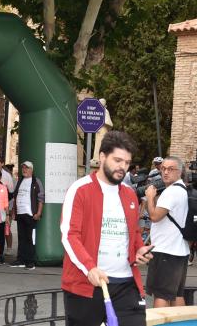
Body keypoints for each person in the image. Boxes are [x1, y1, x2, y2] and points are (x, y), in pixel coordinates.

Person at [61, 130, 153, 326]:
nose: (123, 167)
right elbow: (70, 235)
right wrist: (90, 268)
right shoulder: (79, 189)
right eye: (118, 160)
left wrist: (139, 249)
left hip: (126, 284)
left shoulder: (129, 194)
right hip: (86, 284)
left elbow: (133, 232)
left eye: (127, 163)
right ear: (102, 157)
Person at [145, 156, 190, 308]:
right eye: (163, 168)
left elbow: (154, 216)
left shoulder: (171, 192)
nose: (165, 172)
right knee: (176, 294)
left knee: (161, 295)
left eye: (171, 169)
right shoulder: (183, 189)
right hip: (179, 251)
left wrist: (149, 197)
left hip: (165, 251)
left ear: (180, 172)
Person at [10, 161, 44, 270]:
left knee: (30, 239)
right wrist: (14, 212)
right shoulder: (20, 180)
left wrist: (38, 213)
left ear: (31, 170)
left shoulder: (36, 181)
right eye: (23, 168)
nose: (24, 169)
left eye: (27, 168)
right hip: (20, 214)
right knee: (21, 238)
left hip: (31, 215)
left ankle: (30, 262)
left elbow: (41, 198)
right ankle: (21, 260)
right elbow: (15, 196)